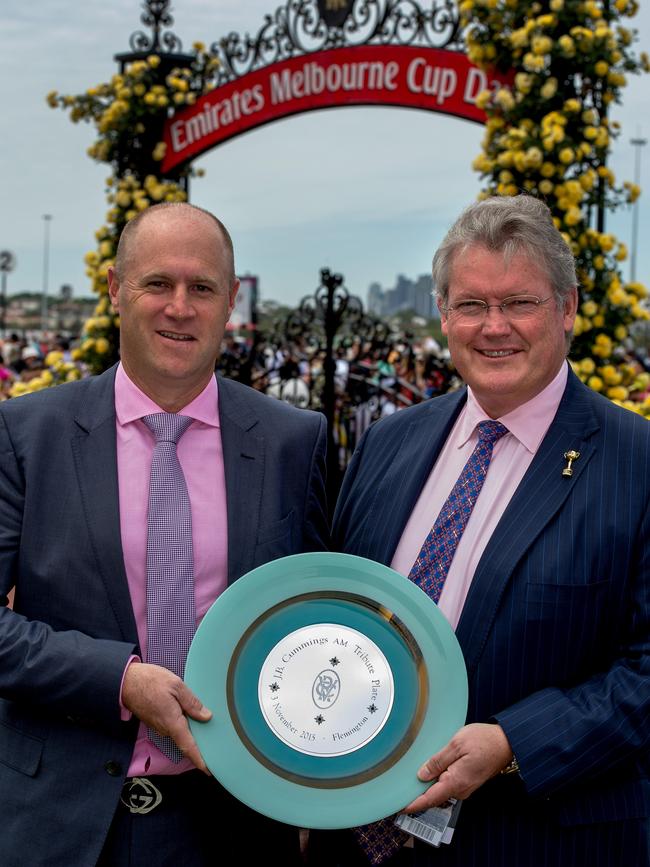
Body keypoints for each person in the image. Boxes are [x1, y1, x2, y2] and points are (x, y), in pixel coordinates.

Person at [322, 196, 649, 866]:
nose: (494, 327)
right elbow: (336, 615)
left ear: (567, 309)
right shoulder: (389, 442)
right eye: (471, 304)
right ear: (444, 315)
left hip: (534, 841)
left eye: (519, 303)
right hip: (354, 839)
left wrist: (514, 742)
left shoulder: (636, 463)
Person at [0, 202, 328, 867]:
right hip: (59, 823)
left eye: (202, 287)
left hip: (235, 824)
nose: (180, 307)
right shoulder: (27, 436)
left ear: (231, 301)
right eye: (158, 283)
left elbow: (323, 619)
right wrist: (117, 680)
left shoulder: (295, 441)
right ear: (117, 289)